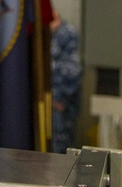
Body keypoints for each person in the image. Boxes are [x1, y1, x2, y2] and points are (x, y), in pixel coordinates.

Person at [49, 8, 82, 153]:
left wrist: (57, 99)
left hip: (60, 107)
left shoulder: (67, 33)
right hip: (48, 105)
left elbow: (72, 70)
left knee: (59, 153)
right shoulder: (46, 34)